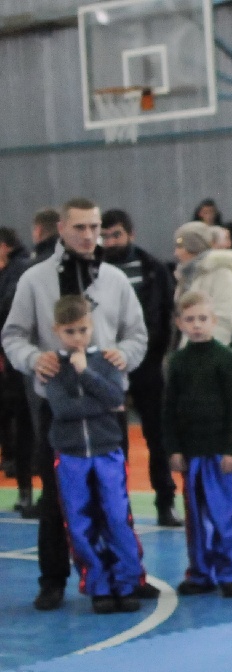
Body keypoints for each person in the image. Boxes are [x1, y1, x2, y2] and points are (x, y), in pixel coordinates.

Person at [2, 197, 148, 612]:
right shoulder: (34, 279)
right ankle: (52, 580)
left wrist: (124, 355)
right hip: (59, 408)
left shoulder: (115, 279)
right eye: (80, 227)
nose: (88, 235)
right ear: (62, 229)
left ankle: (125, 577)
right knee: (56, 498)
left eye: (94, 227)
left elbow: (137, 334)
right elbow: (13, 335)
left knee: (114, 498)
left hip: (107, 407)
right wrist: (34, 359)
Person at [43, 295, 145, 615]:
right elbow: (63, 409)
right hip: (71, 456)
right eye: (70, 331)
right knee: (79, 522)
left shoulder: (106, 360)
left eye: (83, 330)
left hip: (107, 452)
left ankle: (126, 583)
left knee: (117, 517)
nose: (77, 337)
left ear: (92, 326)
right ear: (57, 330)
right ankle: (99, 586)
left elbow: (116, 397)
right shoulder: (52, 367)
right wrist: (101, 403)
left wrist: (86, 373)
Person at [162, 292, 232, 598]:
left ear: (214, 321)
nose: (196, 325)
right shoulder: (177, 361)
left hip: (220, 454)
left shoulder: (225, 358)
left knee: (226, 515)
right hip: (192, 454)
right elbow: (169, 408)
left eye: (202, 319)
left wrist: (231, 448)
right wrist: (173, 448)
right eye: (190, 319)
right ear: (179, 323)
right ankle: (201, 573)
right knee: (196, 520)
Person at [100, 209, 182, 527]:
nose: (110, 242)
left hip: (147, 362)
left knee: (157, 435)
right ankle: (116, 506)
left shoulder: (153, 269)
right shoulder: (93, 269)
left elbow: (167, 311)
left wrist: (159, 354)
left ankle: (165, 502)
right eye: (105, 236)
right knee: (113, 439)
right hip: (107, 365)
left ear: (131, 234)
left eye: (116, 235)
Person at [0, 226, 35, 517]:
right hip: (14, 359)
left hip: (18, 361)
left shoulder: (18, 272)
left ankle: (26, 488)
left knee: (23, 421)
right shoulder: (15, 271)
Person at [172, 222, 232, 348]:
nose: (176, 253)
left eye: (180, 247)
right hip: (188, 350)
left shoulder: (222, 273)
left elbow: (224, 320)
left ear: (193, 247)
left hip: (210, 352)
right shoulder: (187, 276)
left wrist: (206, 352)